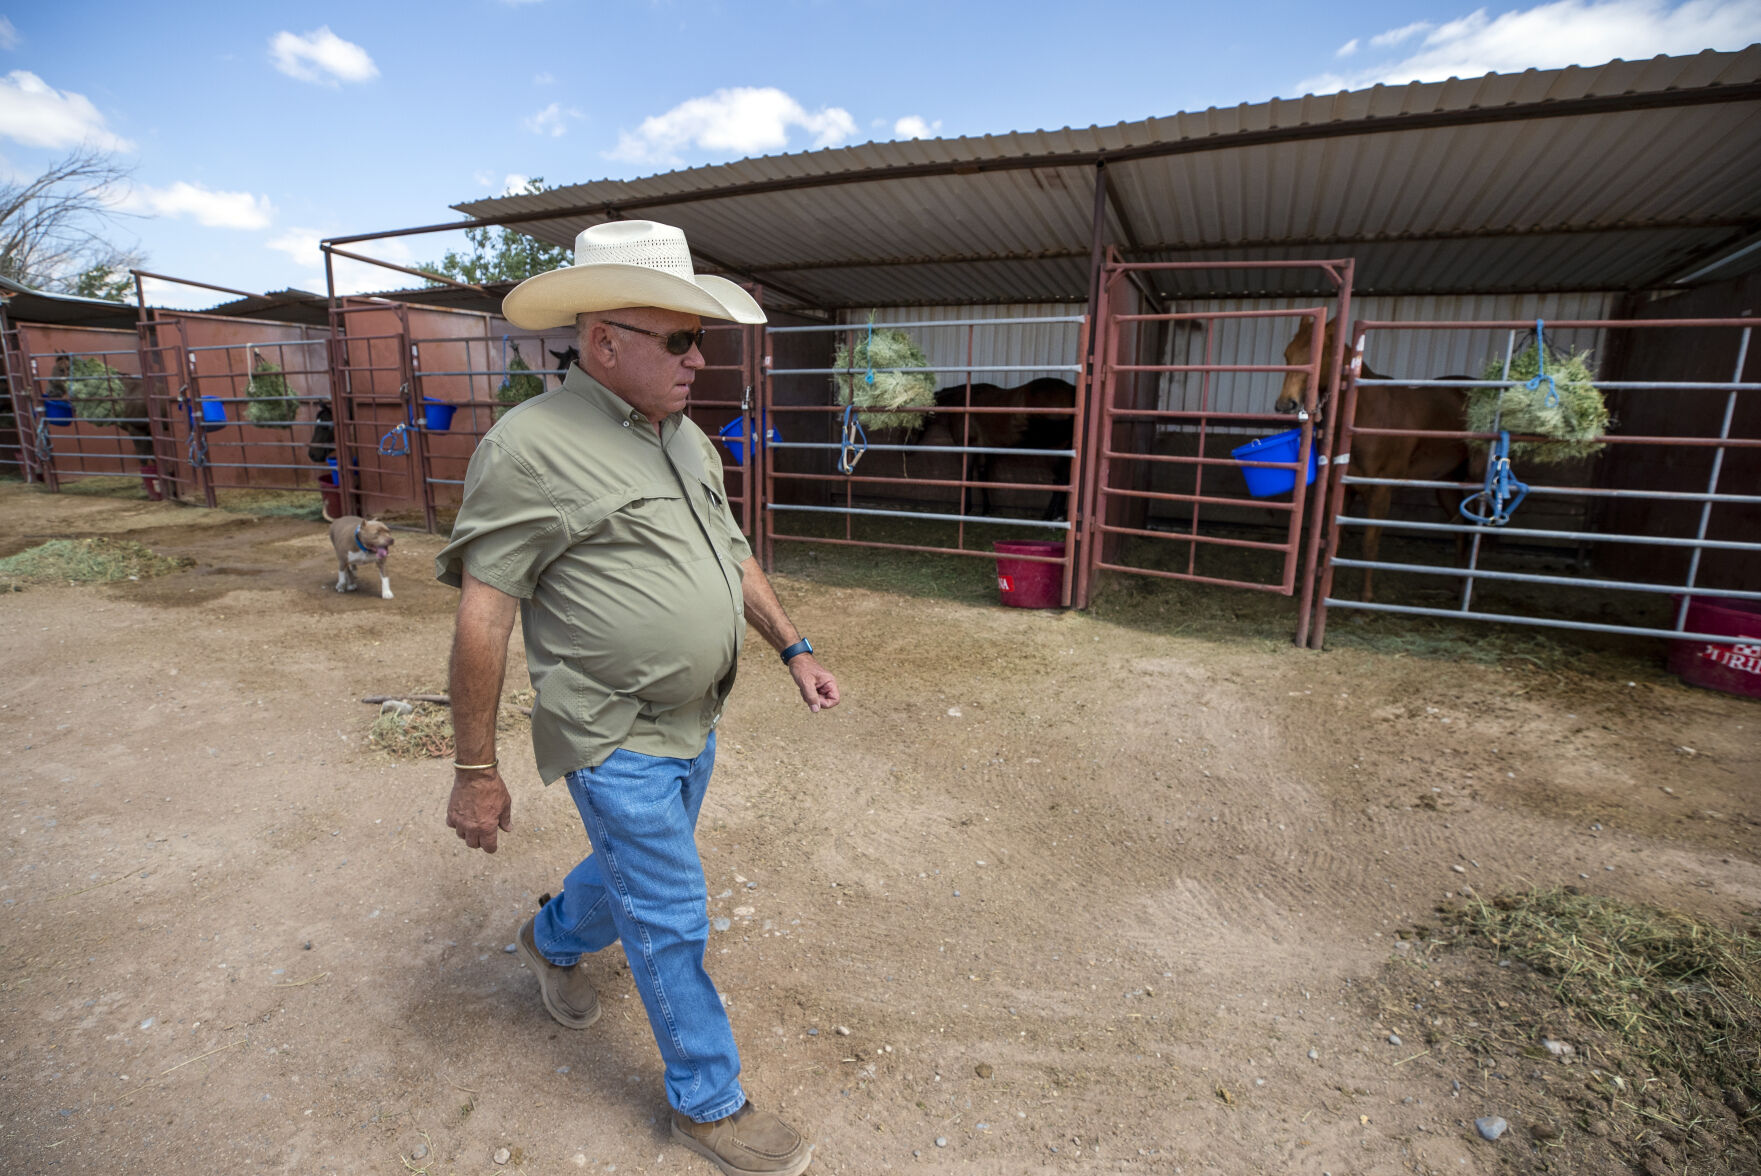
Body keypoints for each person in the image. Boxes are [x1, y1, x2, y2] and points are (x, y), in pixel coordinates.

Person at [435, 220, 837, 1176]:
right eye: (680, 340)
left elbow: (730, 552)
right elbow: (483, 618)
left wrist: (794, 647)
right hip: (610, 731)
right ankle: (708, 1101)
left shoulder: (685, 437)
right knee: (671, 912)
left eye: (702, 339)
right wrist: (473, 771)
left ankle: (551, 937)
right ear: (604, 341)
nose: (700, 359)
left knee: (634, 874)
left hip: (693, 717)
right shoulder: (528, 447)